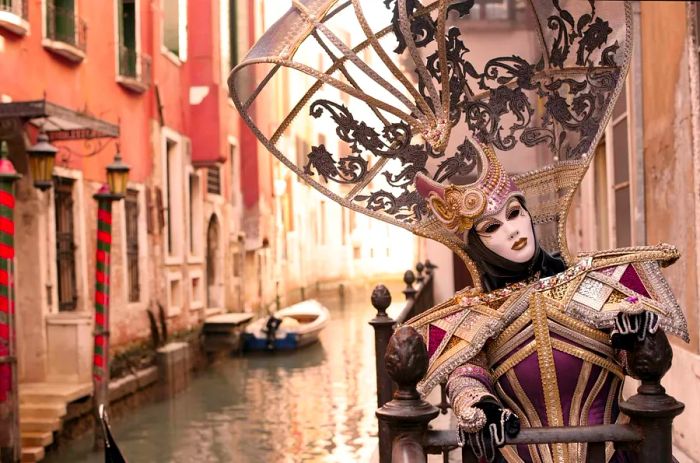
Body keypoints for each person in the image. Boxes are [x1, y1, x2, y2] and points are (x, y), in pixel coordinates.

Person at [406, 141, 689, 463]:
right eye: (492, 227)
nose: (512, 231)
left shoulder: (590, 281)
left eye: (514, 214)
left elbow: (638, 365)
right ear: (476, 245)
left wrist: (636, 340)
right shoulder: (475, 310)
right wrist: (479, 404)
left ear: (528, 213)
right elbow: (467, 372)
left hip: (612, 452)